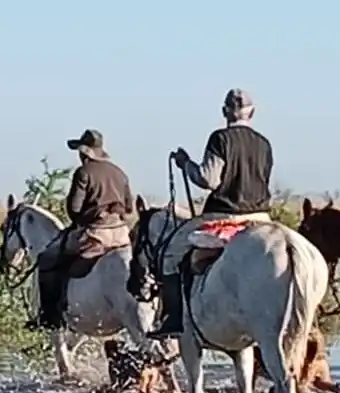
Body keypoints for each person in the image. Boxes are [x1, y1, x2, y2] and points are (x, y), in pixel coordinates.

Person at [152, 88, 274, 339]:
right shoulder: (264, 143)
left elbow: (209, 180)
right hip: (262, 218)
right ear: (253, 113)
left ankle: (172, 319)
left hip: (225, 215)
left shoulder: (220, 138)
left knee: (169, 253)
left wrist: (186, 164)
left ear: (224, 112)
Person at [27, 129, 134, 330]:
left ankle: (49, 316)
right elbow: (130, 208)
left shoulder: (83, 173)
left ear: (84, 152)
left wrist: (85, 218)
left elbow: (74, 210)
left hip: (96, 234)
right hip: (122, 235)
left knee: (47, 259)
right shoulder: (120, 173)